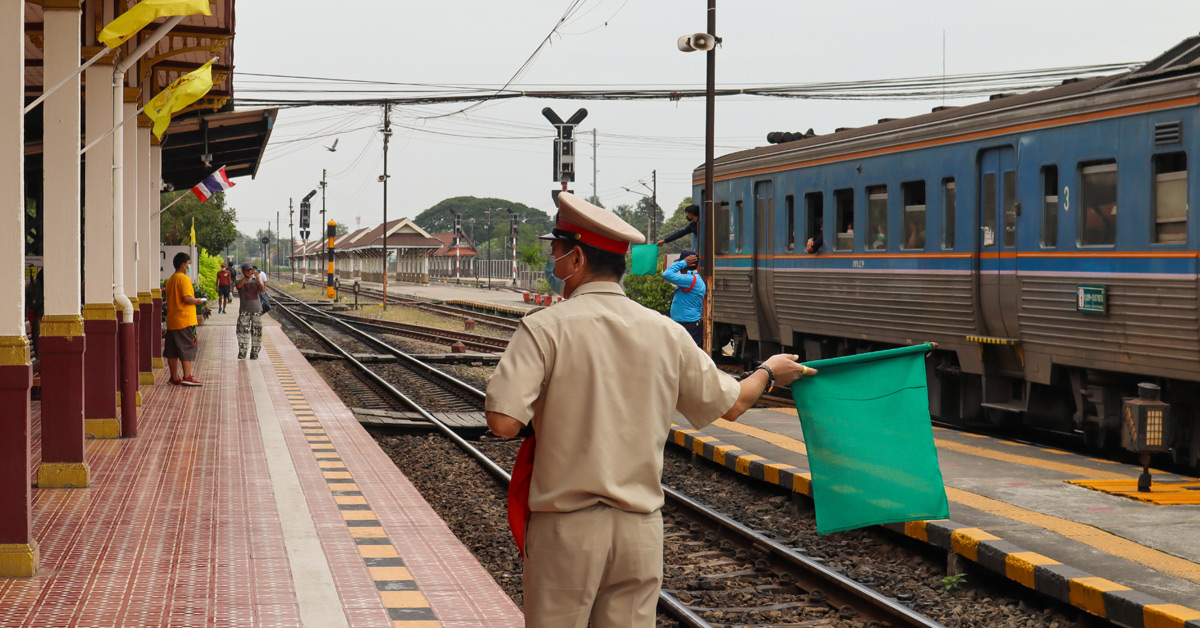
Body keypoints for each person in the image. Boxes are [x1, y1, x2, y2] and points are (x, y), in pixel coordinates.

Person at [485, 192, 813, 628]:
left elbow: (504, 423)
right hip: (640, 531)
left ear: (577, 258)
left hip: (567, 529)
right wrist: (769, 371)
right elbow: (732, 403)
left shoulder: (544, 329)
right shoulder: (666, 333)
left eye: (556, 252)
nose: (553, 263)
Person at [163, 252, 206, 386]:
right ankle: (187, 376)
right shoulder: (184, 279)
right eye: (188, 264)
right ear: (183, 265)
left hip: (172, 320)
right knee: (187, 347)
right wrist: (198, 301)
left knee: (172, 350)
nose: (189, 266)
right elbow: (187, 298)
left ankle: (174, 377)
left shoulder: (170, 280)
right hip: (185, 320)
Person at [661, 250, 705, 347]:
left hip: (689, 326)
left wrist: (684, 262)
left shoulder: (690, 279)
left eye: (681, 263)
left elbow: (666, 274)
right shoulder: (691, 278)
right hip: (688, 325)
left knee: (688, 359)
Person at [234, 263, 265, 360]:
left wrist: (258, 280)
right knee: (242, 331)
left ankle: (255, 353)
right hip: (244, 310)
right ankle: (242, 352)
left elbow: (262, 289)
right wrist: (245, 277)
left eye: (250, 270)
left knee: (257, 332)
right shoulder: (240, 281)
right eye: (247, 270)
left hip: (257, 309)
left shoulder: (256, 282)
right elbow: (238, 286)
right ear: (243, 271)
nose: (249, 272)